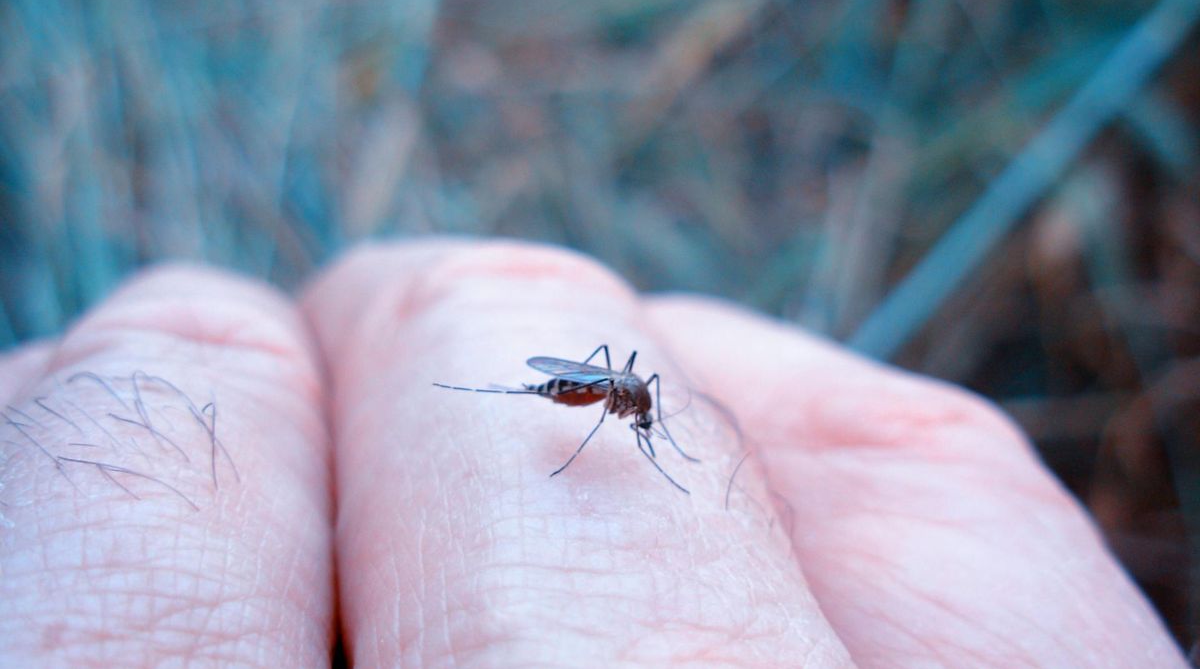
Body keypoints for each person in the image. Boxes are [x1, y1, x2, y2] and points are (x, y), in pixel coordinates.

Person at [0, 241, 1186, 666]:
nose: (632, 414)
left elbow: (640, 395)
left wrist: (650, 435)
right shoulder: (607, 391)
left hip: (588, 379)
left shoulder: (634, 396)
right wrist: (604, 418)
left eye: (630, 415)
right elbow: (611, 386)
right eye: (631, 412)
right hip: (571, 377)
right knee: (576, 393)